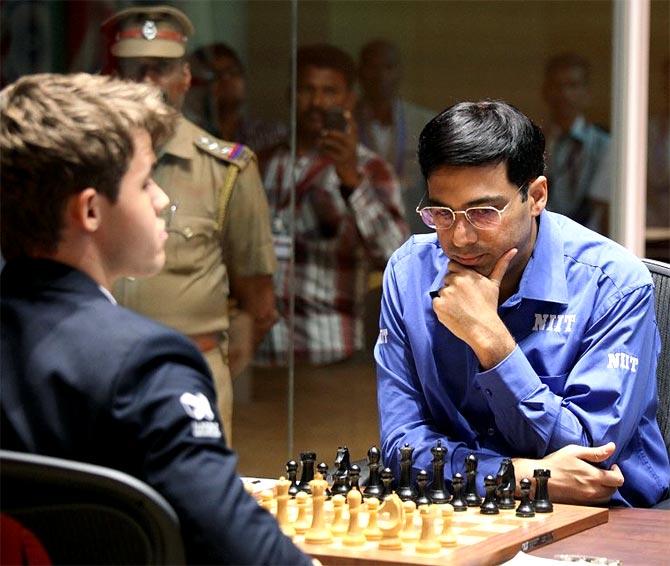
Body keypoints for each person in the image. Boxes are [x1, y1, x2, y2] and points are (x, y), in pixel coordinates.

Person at [0, 72, 312, 565]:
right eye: (145, 182)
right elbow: (246, 552)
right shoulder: (145, 365)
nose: (163, 200)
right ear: (90, 211)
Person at [375, 100, 670, 508]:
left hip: (604, 519)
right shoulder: (409, 273)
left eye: (483, 212)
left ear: (536, 196)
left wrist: (494, 345)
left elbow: (591, 458)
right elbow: (402, 444)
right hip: (462, 511)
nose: (459, 238)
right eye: (442, 214)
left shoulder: (613, 284)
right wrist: (519, 476)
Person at [101, 5, 278, 444]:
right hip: (97, 377)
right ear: (113, 77)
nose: (147, 82)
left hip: (189, 377)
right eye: (134, 68)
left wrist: (207, 364)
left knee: (191, 505)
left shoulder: (225, 170)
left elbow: (258, 299)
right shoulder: (85, 166)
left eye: (160, 69)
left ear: (184, 77)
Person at [255, 44, 408, 366]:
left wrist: (351, 180)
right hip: (262, 350)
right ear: (290, 95)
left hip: (330, 349)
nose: (317, 102)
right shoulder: (259, 164)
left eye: (330, 92)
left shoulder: (372, 170)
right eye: (307, 90)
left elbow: (396, 256)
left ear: (349, 100)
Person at [356, 39, 435, 235]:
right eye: (372, 67)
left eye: (388, 67)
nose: (380, 76)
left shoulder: (426, 123)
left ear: (399, 72)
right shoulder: (347, 123)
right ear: (360, 72)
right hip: (360, 235)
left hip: (414, 233)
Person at [542, 52, 610, 235]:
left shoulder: (604, 144)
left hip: (589, 238)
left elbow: (600, 205)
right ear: (546, 92)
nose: (564, 94)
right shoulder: (536, 140)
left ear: (586, 93)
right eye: (557, 86)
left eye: (572, 85)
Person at [185, 42, 287, 154]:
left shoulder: (270, 134)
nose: (227, 81)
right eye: (217, 75)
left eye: (233, 72)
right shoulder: (190, 136)